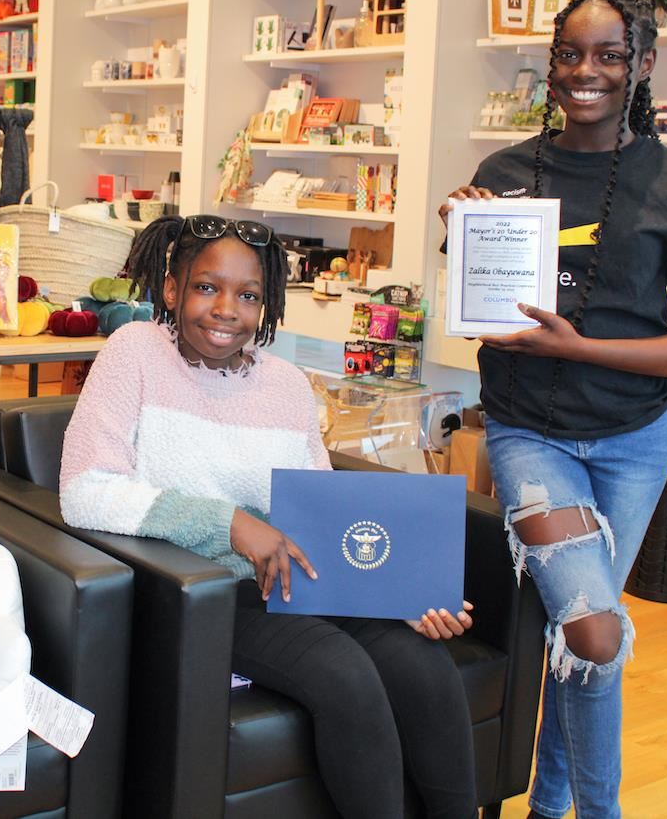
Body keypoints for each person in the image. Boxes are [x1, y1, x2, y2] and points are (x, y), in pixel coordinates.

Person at [440, 0, 667, 819]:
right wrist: (463, 227)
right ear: (551, 64)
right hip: (528, 433)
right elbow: (476, 302)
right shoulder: (503, 174)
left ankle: (550, 806)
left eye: (610, 55)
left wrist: (578, 346)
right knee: (592, 628)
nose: (587, 71)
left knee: (581, 638)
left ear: (643, 65)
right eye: (570, 54)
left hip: (633, 440)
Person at [59, 214, 478, 818]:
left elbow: (323, 510)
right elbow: (86, 491)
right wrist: (228, 521)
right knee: (346, 675)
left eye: (248, 295)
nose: (226, 308)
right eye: (207, 287)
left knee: (426, 669)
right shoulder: (135, 352)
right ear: (172, 289)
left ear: (267, 304)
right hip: (203, 589)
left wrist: (399, 592)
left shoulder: (286, 383)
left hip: (301, 581)